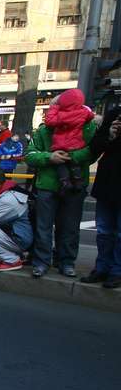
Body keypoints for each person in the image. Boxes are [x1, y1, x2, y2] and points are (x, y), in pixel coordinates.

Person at [25, 96, 96, 278]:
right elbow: (30, 155)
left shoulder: (87, 127)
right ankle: (41, 262)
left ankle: (66, 262)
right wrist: (50, 157)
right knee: (44, 226)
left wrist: (73, 156)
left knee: (70, 226)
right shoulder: (43, 130)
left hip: (74, 185)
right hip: (47, 185)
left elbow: (93, 151)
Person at [80, 106, 121, 288]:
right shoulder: (114, 114)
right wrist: (110, 136)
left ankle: (117, 271)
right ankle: (102, 267)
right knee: (104, 230)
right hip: (107, 181)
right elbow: (95, 147)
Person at [43, 88, 95, 193]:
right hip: (76, 144)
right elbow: (91, 116)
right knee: (73, 163)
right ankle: (78, 179)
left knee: (60, 163)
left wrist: (54, 107)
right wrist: (83, 108)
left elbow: (49, 121)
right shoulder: (83, 112)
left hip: (60, 144)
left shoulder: (61, 115)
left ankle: (65, 181)